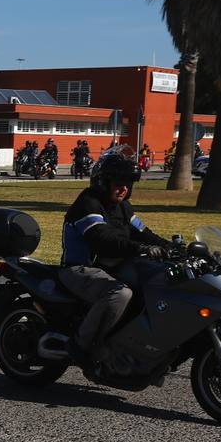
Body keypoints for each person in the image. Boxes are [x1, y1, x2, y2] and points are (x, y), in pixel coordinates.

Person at [60, 153, 173, 369]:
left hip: (111, 268)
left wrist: (172, 247)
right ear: (104, 182)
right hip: (80, 269)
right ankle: (82, 345)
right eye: (118, 183)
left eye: (128, 184)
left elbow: (142, 233)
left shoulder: (122, 207)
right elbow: (102, 240)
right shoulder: (88, 203)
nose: (123, 189)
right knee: (120, 293)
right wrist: (140, 248)